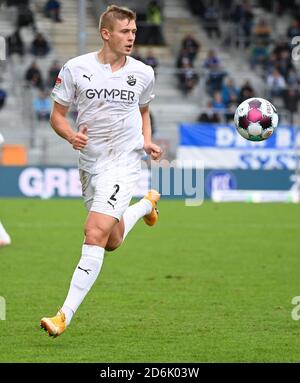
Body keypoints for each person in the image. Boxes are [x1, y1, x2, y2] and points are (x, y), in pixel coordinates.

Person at [40, 5, 162, 338]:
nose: (132, 37)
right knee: (111, 241)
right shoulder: (76, 68)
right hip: (90, 163)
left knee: (94, 232)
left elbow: (145, 110)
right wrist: (70, 135)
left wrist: (147, 141)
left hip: (123, 162)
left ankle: (63, 315)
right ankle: (146, 205)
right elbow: (57, 116)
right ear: (106, 34)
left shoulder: (143, 73)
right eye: (125, 31)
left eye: (134, 31)